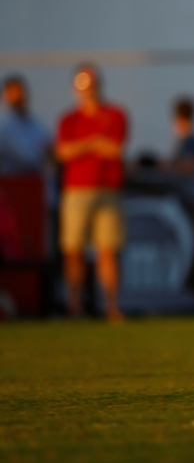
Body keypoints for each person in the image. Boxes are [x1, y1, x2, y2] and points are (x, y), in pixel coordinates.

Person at [55, 65, 127, 322]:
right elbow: (63, 153)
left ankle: (111, 307)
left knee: (106, 251)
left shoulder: (115, 114)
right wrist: (94, 142)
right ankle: (74, 307)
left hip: (108, 189)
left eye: (91, 85)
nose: (87, 92)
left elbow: (115, 150)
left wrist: (82, 147)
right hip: (76, 191)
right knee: (73, 251)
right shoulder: (68, 120)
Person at [0, 75, 53, 177]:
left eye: (20, 92)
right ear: (5, 97)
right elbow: (29, 157)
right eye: (12, 93)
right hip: (12, 183)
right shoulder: (4, 128)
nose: (18, 97)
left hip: (35, 182)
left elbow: (48, 147)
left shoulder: (36, 124)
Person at [171, 96, 194, 174]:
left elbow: (188, 166)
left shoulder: (191, 141)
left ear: (180, 118)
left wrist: (166, 166)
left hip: (187, 184)